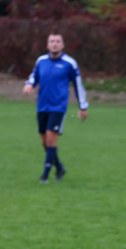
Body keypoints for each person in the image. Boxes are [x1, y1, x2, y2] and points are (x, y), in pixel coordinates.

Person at [22, 34, 88, 184]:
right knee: (45, 142)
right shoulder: (41, 61)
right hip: (42, 106)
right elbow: (34, 76)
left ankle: (45, 175)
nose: (55, 44)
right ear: (47, 45)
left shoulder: (69, 63)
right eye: (52, 41)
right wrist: (29, 84)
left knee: (51, 139)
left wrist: (83, 106)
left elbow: (78, 85)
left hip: (58, 107)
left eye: (58, 42)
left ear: (62, 45)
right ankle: (59, 167)